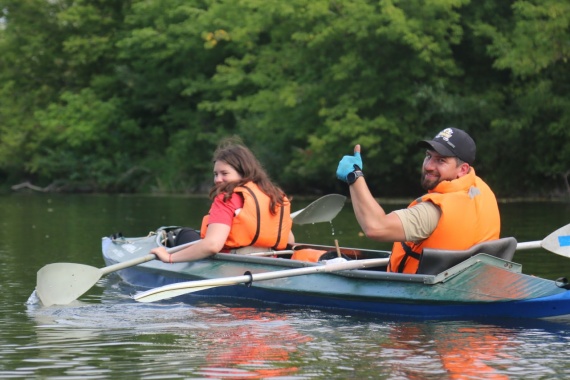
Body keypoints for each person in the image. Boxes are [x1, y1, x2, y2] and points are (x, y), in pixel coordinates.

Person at [336, 127, 500, 274]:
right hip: (472, 284)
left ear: (462, 169)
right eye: (428, 156)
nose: (429, 166)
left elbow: (376, 227)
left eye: (441, 160)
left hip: (423, 295)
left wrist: (355, 176)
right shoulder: (483, 192)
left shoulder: (434, 210)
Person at [152, 137, 294, 263]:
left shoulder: (228, 198)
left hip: (233, 263)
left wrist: (170, 258)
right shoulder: (275, 196)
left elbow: (212, 245)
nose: (218, 180)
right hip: (270, 261)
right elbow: (290, 241)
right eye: (215, 174)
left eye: (224, 173)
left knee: (183, 234)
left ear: (243, 172)